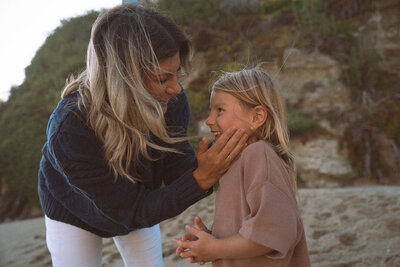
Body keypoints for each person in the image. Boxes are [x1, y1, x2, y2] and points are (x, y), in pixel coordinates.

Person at [37, 3, 248, 267]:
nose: (175, 88)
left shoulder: (171, 100)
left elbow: (177, 171)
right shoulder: (70, 129)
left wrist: (212, 165)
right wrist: (201, 178)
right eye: (162, 79)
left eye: (177, 74)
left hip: (135, 193)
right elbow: (131, 212)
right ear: (125, 79)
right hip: (73, 209)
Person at [174, 67, 311, 266]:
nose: (210, 120)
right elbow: (251, 229)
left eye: (220, 110)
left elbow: (275, 231)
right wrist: (212, 240)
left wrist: (216, 249)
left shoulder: (258, 154)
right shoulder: (237, 161)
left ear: (256, 117)